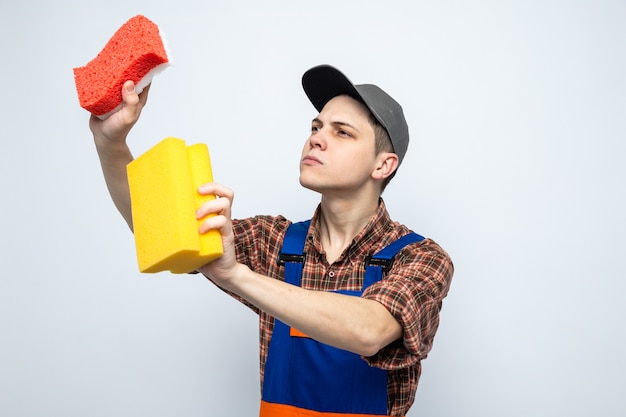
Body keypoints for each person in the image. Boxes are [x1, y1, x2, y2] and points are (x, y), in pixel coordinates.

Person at [90, 64, 454, 417]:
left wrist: (237, 275)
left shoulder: (419, 258)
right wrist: (111, 143)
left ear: (383, 165)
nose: (316, 138)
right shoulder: (273, 241)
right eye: (316, 126)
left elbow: (369, 330)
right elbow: (157, 227)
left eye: (342, 132)